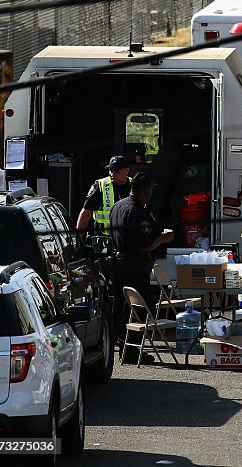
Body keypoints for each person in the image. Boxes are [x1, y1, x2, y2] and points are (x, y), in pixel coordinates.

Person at [110, 172, 174, 362]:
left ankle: (121, 345)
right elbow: (144, 243)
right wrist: (162, 239)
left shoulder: (117, 207)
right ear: (145, 191)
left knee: (119, 308)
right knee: (137, 309)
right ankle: (131, 352)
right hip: (135, 266)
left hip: (117, 264)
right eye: (151, 190)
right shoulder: (136, 212)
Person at [75, 155, 132, 237]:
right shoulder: (101, 186)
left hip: (128, 239)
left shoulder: (135, 186)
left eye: (116, 171)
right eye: (110, 170)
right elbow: (86, 213)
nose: (112, 174)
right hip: (104, 239)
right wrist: (79, 239)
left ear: (127, 170)